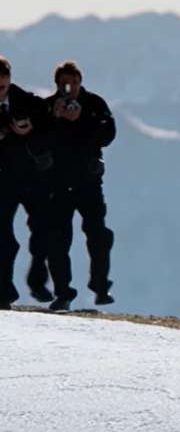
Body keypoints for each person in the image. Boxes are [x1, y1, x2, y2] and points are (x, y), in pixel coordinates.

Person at [45, 61, 117, 311]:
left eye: (75, 82)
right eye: (66, 83)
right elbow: (39, 140)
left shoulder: (94, 104)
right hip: (57, 184)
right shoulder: (47, 107)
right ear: (57, 84)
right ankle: (63, 293)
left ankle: (100, 286)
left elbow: (108, 134)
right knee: (57, 240)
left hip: (88, 183)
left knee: (99, 236)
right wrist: (54, 118)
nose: (71, 88)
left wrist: (82, 118)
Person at [0, 55, 55, 310]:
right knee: (3, 238)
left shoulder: (30, 103)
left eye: (3, 81)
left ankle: (37, 280)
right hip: (3, 180)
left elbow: (50, 130)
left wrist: (30, 131)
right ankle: (3, 292)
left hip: (32, 177)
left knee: (43, 230)